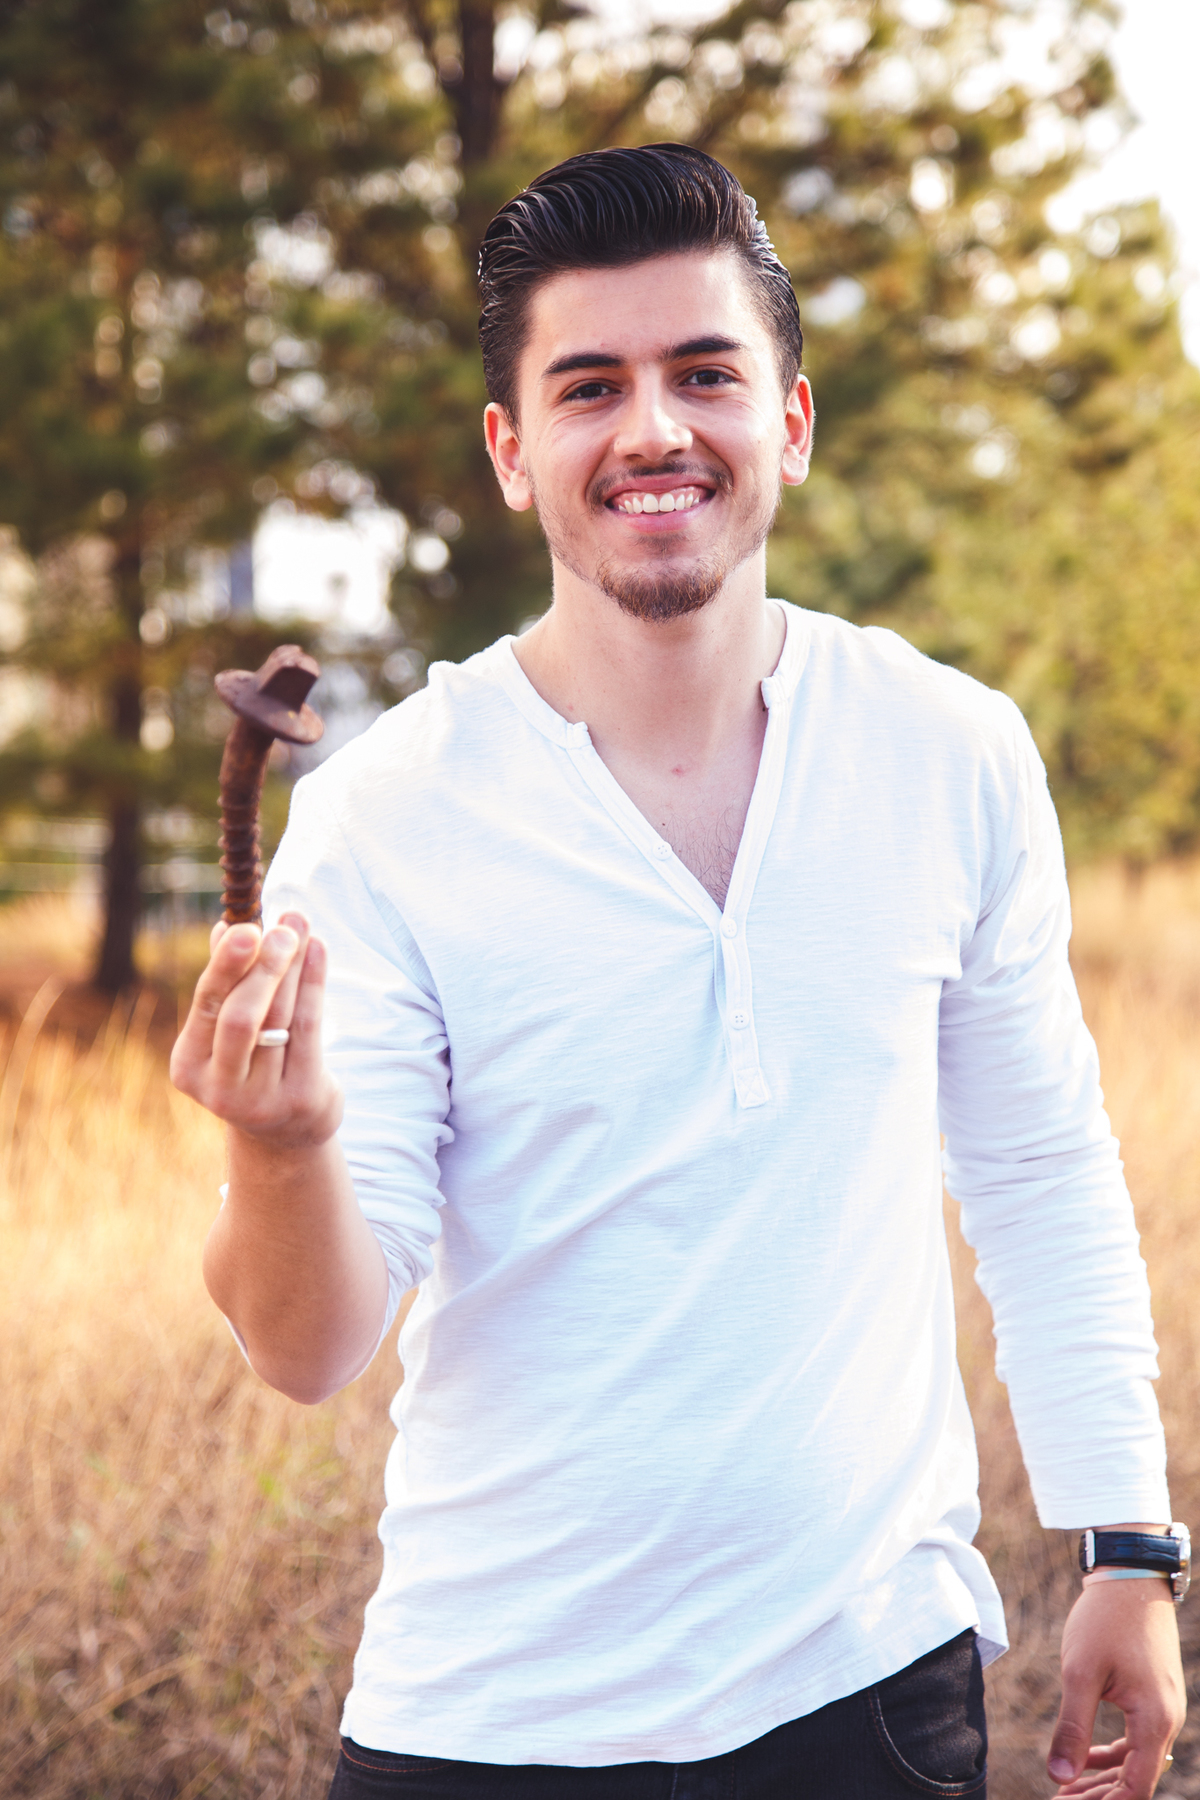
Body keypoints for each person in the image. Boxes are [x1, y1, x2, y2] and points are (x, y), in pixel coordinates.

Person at [171, 145, 1187, 1800]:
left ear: (788, 418)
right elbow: (307, 1347)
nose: (653, 430)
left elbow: (1041, 1167)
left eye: (703, 374)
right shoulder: (382, 818)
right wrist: (275, 1152)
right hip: (486, 1722)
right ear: (515, 452)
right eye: (589, 387)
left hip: (874, 1692)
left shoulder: (951, 751)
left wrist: (1130, 1542)